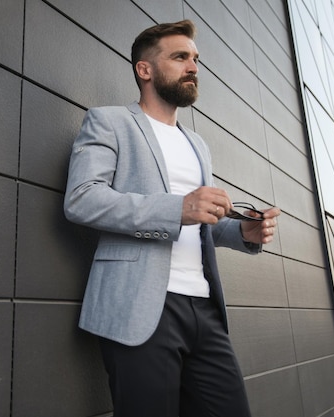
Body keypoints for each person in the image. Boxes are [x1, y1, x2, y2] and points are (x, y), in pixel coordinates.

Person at [63, 19, 281, 417]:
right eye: (180, 57)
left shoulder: (197, 144)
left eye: (195, 59)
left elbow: (199, 225)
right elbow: (82, 199)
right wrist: (177, 208)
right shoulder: (109, 121)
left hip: (204, 308)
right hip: (141, 306)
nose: (193, 66)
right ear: (144, 69)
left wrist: (242, 232)